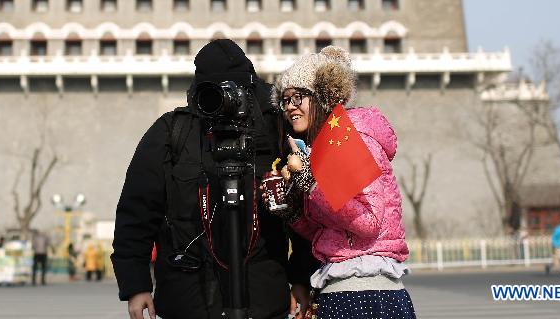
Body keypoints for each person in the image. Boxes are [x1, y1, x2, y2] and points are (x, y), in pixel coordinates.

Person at [112, 39, 314, 319]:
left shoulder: (275, 132)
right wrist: (136, 285)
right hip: (188, 301)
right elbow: (136, 213)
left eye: (237, 91)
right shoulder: (173, 134)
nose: (227, 101)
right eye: (216, 92)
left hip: (264, 299)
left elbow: (306, 209)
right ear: (199, 92)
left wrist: (302, 277)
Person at [264, 45, 416, 319]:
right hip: (343, 285)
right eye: (285, 100)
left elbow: (368, 222)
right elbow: (331, 231)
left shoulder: (348, 137)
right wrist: (291, 210)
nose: (290, 107)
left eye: (298, 96)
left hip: (365, 291)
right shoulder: (320, 147)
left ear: (322, 96)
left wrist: (310, 184)